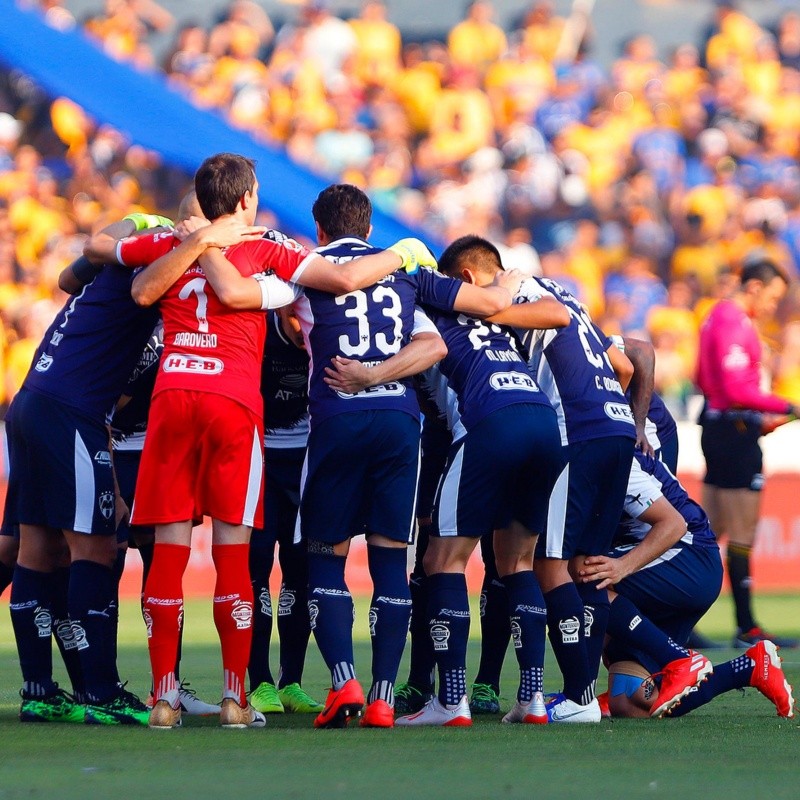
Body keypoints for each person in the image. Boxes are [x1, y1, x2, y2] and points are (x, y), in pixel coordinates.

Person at [107, 159, 443, 729]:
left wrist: (193, 238)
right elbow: (336, 280)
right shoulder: (268, 246)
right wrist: (402, 252)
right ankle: (235, 698)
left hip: (172, 397)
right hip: (235, 406)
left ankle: (163, 698)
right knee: (233, 551)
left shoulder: (168, 240)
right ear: (246, 199)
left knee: (169, 548)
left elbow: (127, 278)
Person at [196, 183, 524, 729]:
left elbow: (241, 297)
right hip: (400, 423)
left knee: (325, 554)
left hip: (336, 421)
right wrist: (378, 373)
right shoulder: (400, 273)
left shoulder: (305, 266)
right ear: (369, 230)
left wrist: (205, 246)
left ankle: (343, 679)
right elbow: (436, 346)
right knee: (390, 558)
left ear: (320, 230)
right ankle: (384, 697)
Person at [3, 205, 248, 726]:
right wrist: (198, 242)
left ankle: (39, 691)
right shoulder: (160, 251)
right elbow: (143, 290)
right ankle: (101, 693)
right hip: (70, 410)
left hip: (35, 401)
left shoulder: (129, 245)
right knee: (98, 547)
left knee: (37, 547)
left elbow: (73, 275)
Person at [327, 235, 570, 727]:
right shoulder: (493, 311)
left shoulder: (414, 292)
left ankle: (452, 700)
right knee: (516, 561)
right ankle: (534, 699)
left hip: (488, 425)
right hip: (542, 422)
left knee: (442, 561)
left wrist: (369, 375)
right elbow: (557, 313)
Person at [579, 453, 793, 721]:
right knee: (630, 703)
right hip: (663, 569)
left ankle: (677, 659)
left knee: (582, 577)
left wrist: (621, 568)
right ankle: (748, 667)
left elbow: (674, 525)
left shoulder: (613, 456)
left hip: (687, 557)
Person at [697, 258, 800, 648]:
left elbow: (706, 380)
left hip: (723, 426)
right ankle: (746, 627)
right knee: (742, 531)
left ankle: (673, 616)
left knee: (708, 531)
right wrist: (786, 406)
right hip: (734, 434)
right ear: (755, 287)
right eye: (773, 297)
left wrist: (758, 417)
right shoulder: (734, 321)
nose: (774, 306)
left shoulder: (716, 318)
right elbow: (737, 389)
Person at [247, 305, 322, 716]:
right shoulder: (257, 333)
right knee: (255, 569)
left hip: (305, 466)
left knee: (301, 572)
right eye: (295, 320)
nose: (302, 330)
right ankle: (258, 682)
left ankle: (291, 681)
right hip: (260, 464)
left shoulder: (322, 333)